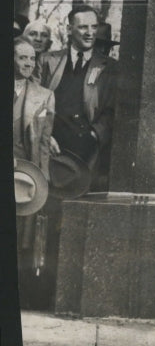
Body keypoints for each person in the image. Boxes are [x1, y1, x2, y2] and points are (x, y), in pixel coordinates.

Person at [40, 5, 117, 191]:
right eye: (83, 27)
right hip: (50, 147)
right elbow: (34, 103)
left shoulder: (110, 67)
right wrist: (45, 135)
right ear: (69, 29)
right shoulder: (47, 61)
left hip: (85, 152)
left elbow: (113, 110)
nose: (90, 33)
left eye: (93, 27)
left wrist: (94, 135)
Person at [13, 37, 55, 305]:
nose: (28, 63)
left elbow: (42, 144)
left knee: (20, 236)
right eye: (21, 57)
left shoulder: (44, 95)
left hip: (23, 176)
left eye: (32, 58)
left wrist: (43, 183)